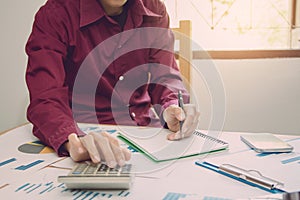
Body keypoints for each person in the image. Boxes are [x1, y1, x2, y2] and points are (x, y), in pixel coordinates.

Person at [25, 0, 200, 168]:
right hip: (86, 137)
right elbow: (46, 97)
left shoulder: (154, 8)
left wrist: (173, 107)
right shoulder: (56, 14)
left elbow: (164, 75)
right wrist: (73, 141)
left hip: (146, 133)